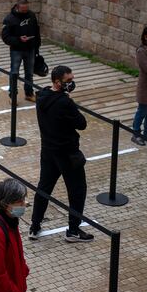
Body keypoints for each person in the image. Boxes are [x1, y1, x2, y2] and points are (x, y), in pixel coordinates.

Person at [29, 65, 94, 243]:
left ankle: (34, 226)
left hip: (48, 150)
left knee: (44, 188)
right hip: (67, 153)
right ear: (57, 82)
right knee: (77, 190)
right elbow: (82, 123)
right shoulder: (65, 102)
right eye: (68, 81)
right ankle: (73, 230)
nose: (71, 83)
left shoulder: (41, 95)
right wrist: (69, 101)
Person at [1, 0, 40, 103]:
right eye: (23, 10)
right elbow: (5, 37)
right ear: (17, 7)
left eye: (27, 9)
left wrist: (37, 47)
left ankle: (29, 94)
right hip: (16, 50)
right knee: (14, 73)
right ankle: (12, 96)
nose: (25, 11)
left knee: (29, 73)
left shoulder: (31, 15)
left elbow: (37, 31)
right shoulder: (9, 19)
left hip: (30, 49)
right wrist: (18, 39)